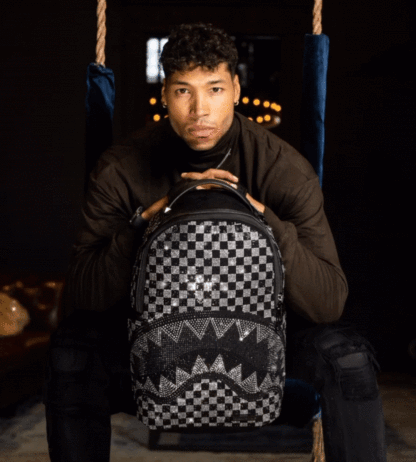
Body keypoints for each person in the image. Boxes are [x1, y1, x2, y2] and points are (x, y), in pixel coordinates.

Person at [43, 23, 386, 462]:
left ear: (236, 89)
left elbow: (328, 302)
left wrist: (263, 220)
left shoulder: (282, 169)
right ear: (164, 95)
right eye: (183, 91)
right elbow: (84, 295)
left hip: (264, 338)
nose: (199, 109)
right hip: (150, 338)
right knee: (71, 354)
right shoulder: (121, 170)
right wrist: (147, 222)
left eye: (215, 89)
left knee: (348, 359)